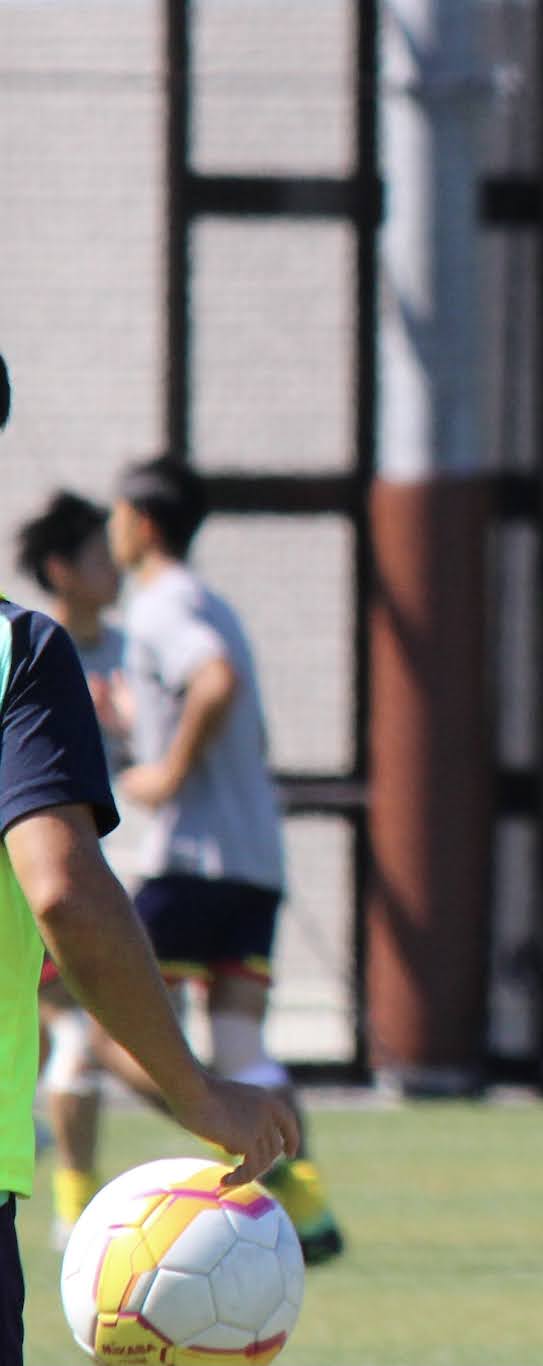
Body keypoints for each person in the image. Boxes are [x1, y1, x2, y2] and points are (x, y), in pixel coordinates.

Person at [0, 356, 298, 1366]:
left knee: (103, 1029)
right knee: (141, 1027)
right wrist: (190, 1092)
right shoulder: (22, 652)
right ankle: (288, 1196)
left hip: (199, 860)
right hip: (219, 863)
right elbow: (65, 892)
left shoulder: (131, 625)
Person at [105, 454, 343, 1263]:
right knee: (241, 1041)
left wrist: (168, 771)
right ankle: (306, 1207)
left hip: (191, 861)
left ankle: (227, 1136)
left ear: (141, 523)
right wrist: (131, 719)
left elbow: (215, 679)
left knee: (100, 1025)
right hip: (252, 862)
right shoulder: (212, 600)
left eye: (116, 516)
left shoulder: (160, 601)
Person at [15, 492, 128, 1244]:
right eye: (99, 556)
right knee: (81, 1039)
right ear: (61, 569)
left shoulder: (132, 653)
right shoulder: (33, 655)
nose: (115, 569)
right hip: (45, 885)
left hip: (116, 877)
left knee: (75, 1041)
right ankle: (74, 1209)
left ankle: (72, 1197)